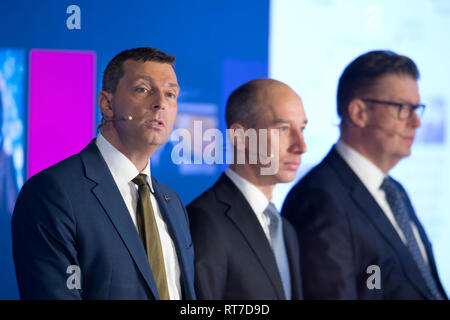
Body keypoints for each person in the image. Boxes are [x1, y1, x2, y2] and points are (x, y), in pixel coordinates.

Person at [12, 47, 196, 300]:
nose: (160, 103)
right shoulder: (53, 192)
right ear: (107, 104)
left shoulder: (172, 202)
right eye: (143, 89)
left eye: (171, 94)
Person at [282, 50, 448, 300]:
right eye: (403, 108)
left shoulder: (395, 190)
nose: (416, 122)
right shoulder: (319, 199)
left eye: (417, 108)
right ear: (359, 113)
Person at [187, 79, 307, 299]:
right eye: (283, 128)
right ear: (240, 138)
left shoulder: (285, 229)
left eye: (302, 128)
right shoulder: (205, 220)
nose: (301, 146)